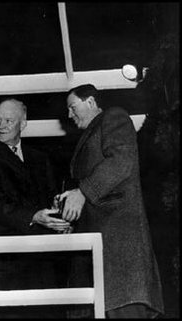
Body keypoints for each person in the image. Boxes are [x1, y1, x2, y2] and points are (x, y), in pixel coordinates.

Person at [56, 84, 164, 318]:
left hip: (119, 250)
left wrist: (82, 192)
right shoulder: (87, 136)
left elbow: (121, 161)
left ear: (91, 102)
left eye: (72, 107)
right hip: (98, 256)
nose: (68, 114)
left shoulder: (114, 117)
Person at [0, 98, 70, 317]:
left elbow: (49, 199)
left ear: (23, 124)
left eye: (8, 120)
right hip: (1, 261)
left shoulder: (40, 159)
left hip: (40, 262)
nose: (1, 125)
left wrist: (57, 214)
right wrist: (34, 216)